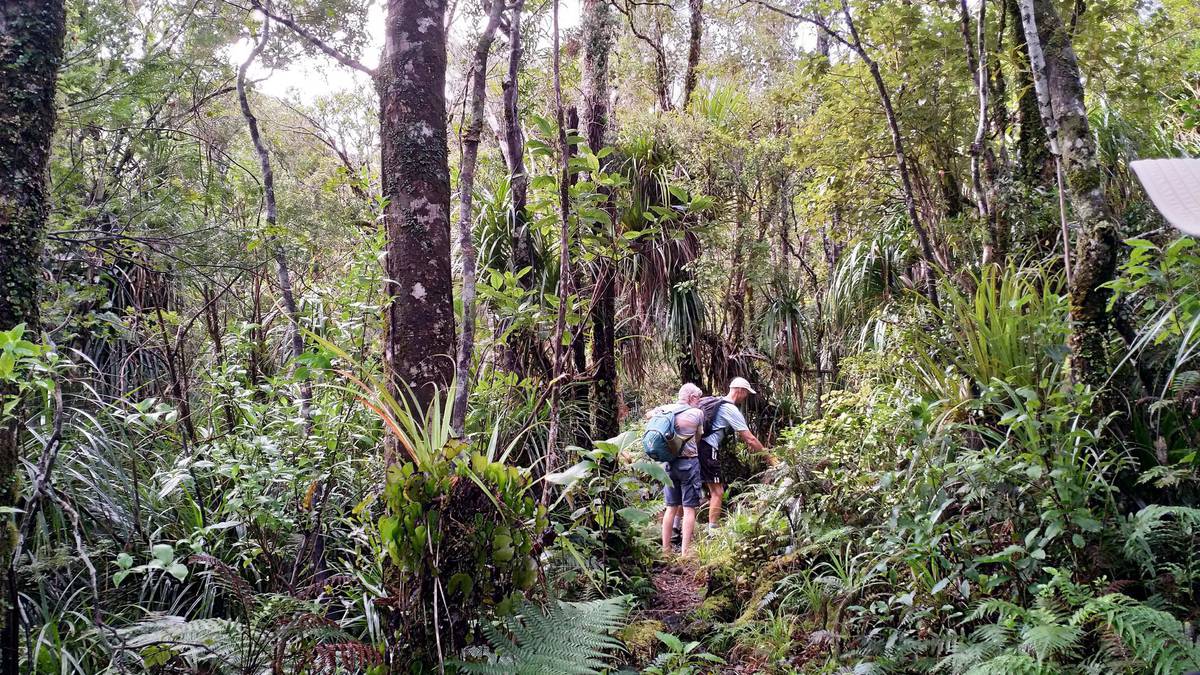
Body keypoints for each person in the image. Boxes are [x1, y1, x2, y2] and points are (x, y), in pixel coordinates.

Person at [698, 377, 770, 529]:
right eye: (746, 393)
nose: (746, 397)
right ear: (740, 391)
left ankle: (677, 528)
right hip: (708, 449)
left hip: (694, 447)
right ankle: (713, 529)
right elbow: (749, 439)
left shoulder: (716, 402)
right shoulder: (729, 408)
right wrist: (770, 458)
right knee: (718, 491)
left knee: (690, 487)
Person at [660, 383, 704, 556]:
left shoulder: (665, 410)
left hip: (669, 465)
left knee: (670, 507)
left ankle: (666, 550)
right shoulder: (697, 413)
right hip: (689, 463)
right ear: (692, 397)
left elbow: (649, 416)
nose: (699, 402)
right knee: (689, 508)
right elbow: (699, 436)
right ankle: (685, 552)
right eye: (698, 398)